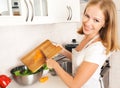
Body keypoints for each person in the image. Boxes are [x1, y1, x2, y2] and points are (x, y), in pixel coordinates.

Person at [46, 0, 120, 88]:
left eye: (96, 20)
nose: (88, 23)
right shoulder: (88, 37)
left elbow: (74, 84)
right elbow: (80, 60)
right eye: (87, 16)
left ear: (105, 23)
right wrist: (63, 51)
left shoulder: (97, 48)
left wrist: (55, 65)